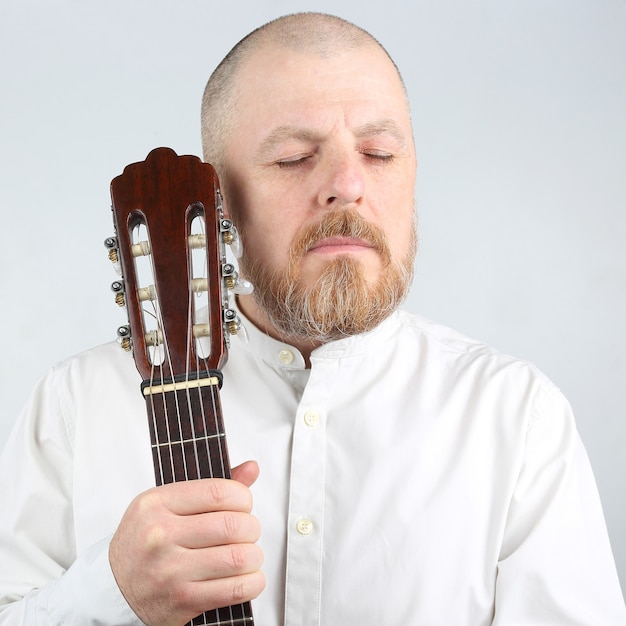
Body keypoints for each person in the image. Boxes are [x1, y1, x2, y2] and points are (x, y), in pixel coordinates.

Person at [0, 11, 624, 625]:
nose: (347, 184)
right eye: (296, 157)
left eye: (380, 153)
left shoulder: (516, 416)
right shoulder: (75, 407)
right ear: (216, 199)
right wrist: (112, 595)